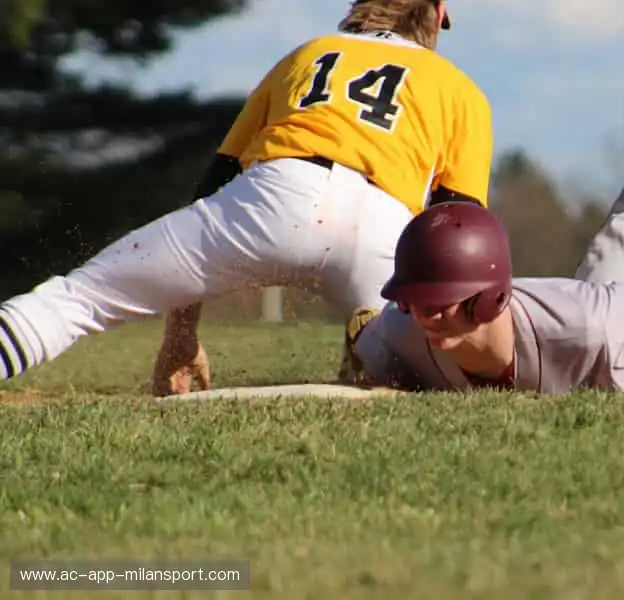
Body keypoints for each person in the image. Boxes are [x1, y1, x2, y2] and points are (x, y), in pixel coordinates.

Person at [0, 0, 493, 394]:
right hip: (383, 225)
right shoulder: (461, 90)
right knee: (430, 375)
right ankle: (378, 350)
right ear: (438, 14)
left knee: (79, 297)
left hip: (276, 197)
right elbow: (459, 229)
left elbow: (216, 181)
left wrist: (180, 334)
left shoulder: (309, 54)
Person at [346, 125, 624, 394]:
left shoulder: (580, 326)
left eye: (440, 304)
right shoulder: (403, 328)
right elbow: (363, 343)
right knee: (601, 294)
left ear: (490, 298)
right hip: (585, 323)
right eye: (412, 302)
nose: (425, 317)